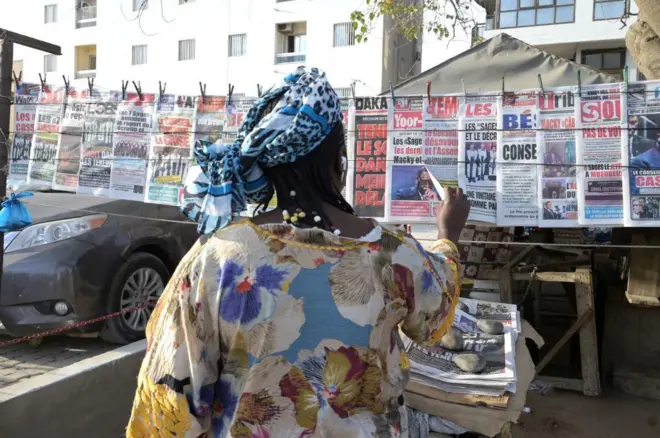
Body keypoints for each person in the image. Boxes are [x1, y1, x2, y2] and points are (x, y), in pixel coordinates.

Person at [126, 67, 470, 438]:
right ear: (340, 158)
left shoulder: (217, 255)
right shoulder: (395, 255)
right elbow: (434, 321)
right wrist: (447, 234)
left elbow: (171, 393)